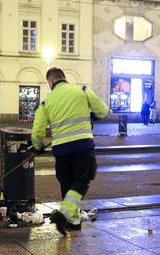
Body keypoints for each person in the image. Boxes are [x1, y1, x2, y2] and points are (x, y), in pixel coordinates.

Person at [32, 67, 108, 235]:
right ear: (63, 78)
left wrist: (37, 146)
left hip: (61, 150)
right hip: (83, 146)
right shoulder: (82, 90)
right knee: (81, 180)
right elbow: (103, 110)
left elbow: (37, 131)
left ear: (51, 81)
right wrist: (91, 116)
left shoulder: (46, 102)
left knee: (67, 184)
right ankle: (64, 213)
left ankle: (73, 222)